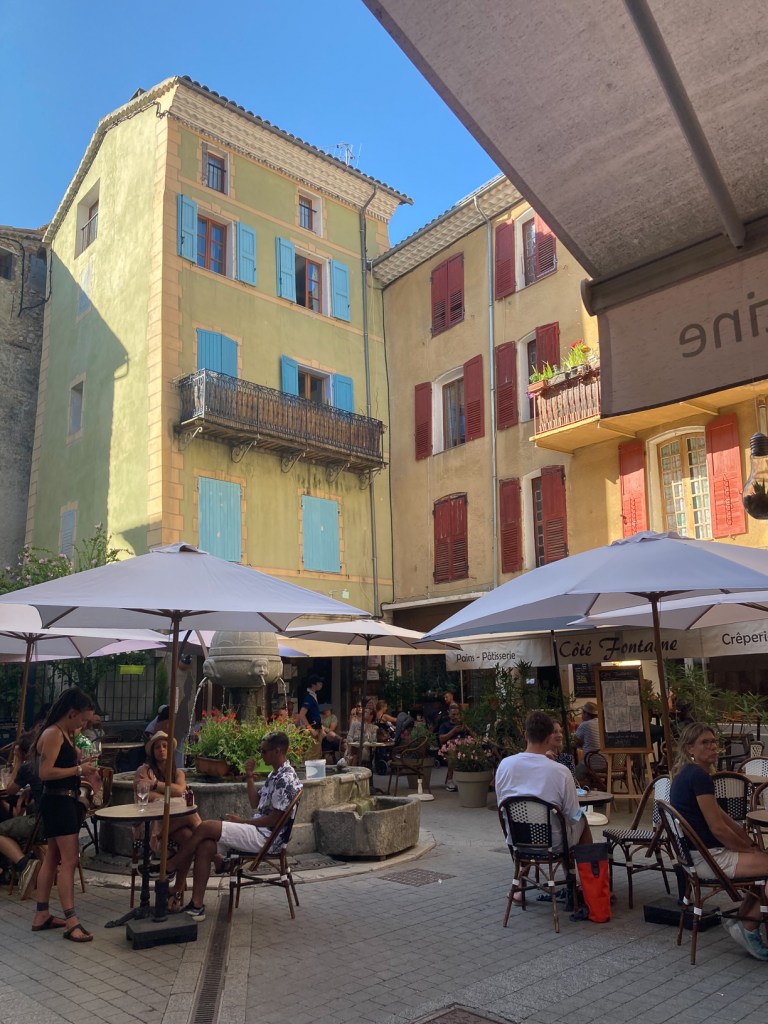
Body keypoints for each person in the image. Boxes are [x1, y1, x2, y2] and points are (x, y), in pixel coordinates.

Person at [166, 731, 302, 920]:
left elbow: (274, 820)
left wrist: (243, 822)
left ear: (277, 751)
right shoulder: (275, 774)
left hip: (266, 839)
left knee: (205, 827)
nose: (260, 754)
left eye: (263, 751)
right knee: (205, 846)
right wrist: (249, 777)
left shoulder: (285, 779)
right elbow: (255, 803)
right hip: (260, 832)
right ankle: (196, 906)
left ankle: (173, 864)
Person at [670, 722, 768, 960]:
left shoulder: (688, 774)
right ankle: (749, 928)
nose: (713, 747)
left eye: (714, 742)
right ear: (690, 748)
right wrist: (748, 849)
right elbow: (718, 829)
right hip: (709, 858)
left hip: (694, 858)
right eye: (705, 742)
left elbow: (726, 822)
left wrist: (750, 846)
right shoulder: (699, 777)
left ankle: (744, 923)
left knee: (762, 861)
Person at [32, 687, 101, 941]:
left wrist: (80, 765)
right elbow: (45, 773)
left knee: (53, 857)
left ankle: (42, 913)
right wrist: (77, 770)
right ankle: (71, 920)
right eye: (82, 719)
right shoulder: (53, 734)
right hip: (58, 802)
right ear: (71, 713)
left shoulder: (64, 734)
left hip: (61, 801)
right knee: (69, 860)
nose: (84, 724)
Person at [495, 710, 592, 853]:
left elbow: (501, 804)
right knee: (581, 819)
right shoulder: (561, 771)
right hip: (554, 843)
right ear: (548, 737)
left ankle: (523, 869)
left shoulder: (504, 765)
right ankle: (586, 872)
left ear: (526, 735)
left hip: (518, 840)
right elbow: (573, 816)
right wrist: (580, 815)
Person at [135, 732, 201, 855]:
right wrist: (171, 794)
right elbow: (145, 796)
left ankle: (171, 864)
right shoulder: (143, 771)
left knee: (188, 837)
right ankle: (216, 856)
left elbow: (180, 790)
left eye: (165, 746)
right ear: (152, 752)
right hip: (152, 823)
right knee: (191, 816)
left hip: (174, 821)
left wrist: (155, 784)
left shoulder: (178, 773)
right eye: (157, 747)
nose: (162, 749)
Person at [0, 731, 43, 898]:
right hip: (60, 823)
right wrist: (30, 789)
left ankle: (23, 864)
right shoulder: (49, 761)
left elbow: (10, 789)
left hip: (40, 823)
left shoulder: (28, 766)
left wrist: (18, 762)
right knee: (12, 818)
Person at [438, 703, 469, 792]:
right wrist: (453, 731)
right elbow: (441, 739)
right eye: (453, 714)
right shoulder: (445, 725)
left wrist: (467, 728)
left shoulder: (463, 725)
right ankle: (450, 780)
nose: (455, 716)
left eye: (457, 714)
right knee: (452, 752)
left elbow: (474, 736)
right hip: (449, 749)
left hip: (463, 748)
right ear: (449, 715)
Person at [573, 701, 602, 783]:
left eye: (582, 712)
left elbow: (576, 742)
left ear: (586, 714)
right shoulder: (603, 723)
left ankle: (581, 792)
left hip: (591, 763)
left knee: (571, 777)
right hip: (608, 763)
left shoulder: (585, 724)